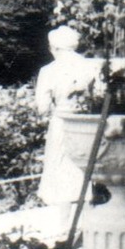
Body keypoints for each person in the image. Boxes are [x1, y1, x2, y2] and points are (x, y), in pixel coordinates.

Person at [35, 26, 102, 207]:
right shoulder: (90, 65)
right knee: (82, 169)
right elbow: (100, 96)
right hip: (86, 123)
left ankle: (63, 226)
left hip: (61, 123)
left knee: (59, 170)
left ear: (55, 48)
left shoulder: (48, 70)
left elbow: (42, 107)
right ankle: (85, 217)